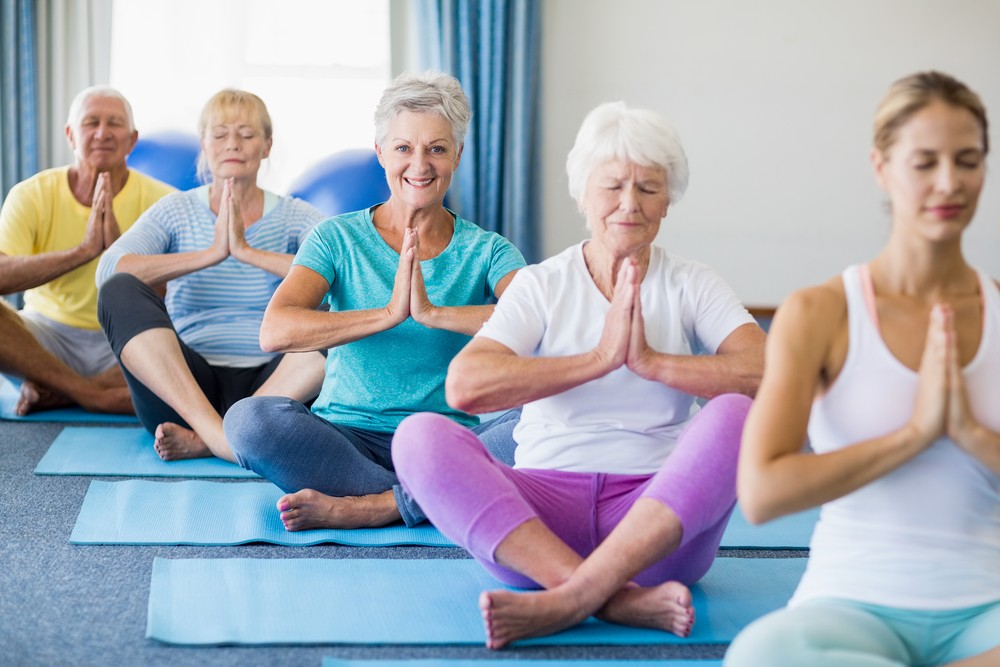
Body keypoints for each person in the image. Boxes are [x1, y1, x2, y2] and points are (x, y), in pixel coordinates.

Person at [392, 101, 767, 649]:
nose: (629, 205)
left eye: (649, 188)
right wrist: (597, 360)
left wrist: (653, 363)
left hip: (658, 525)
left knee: (740, 414)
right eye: (613, 186)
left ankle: (566, 600)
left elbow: (765, 374)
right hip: (538, 522)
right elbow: (466, 387)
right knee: (419, 437)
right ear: (583, 194)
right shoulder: (542, 284)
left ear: (669, 199)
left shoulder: (693, 283)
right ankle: (613, 599)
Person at [725, 71, 1000, 667]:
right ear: (882, 167)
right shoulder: (820, 312)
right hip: (850, 609)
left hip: (988, 607)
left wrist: (974, 437)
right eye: (924, 162)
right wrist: (914, 435)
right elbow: (762, 494)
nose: (950, 182)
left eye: (969, 160)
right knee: (759, 656)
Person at [222, 71, 526, 531]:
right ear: (381, 152)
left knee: (546, 419)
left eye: (437, 149)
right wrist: (386, 315)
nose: (419, 165)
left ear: (457, 155)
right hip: (345, 438)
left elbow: (542, 325)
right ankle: (428, 497)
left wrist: (435, 314)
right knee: (248, 422)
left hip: (443, 441)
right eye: (404, 147)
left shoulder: (489, 250)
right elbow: (276, 330)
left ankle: (376, 506)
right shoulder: (335, 237)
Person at [95, 89, 326, 462]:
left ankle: (212, 440)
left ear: (267, 146)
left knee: (346, 308)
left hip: (281, 385)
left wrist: (250, 253)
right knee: (118, 290)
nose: (232, 143)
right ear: (204, 144)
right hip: (186, 389)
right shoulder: (176, 210)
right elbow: (110, 267)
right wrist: (209, 255)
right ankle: (226, 435)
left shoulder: (293, 216)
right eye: (219, 134)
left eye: (247, 134)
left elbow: (352, 269)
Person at [0, 85, 174, 415]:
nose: (102, 133)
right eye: (91, 122)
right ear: (70, 135)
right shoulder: (30, 194)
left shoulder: (164, 201)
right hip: (46, 340)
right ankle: (93, 394)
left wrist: (118, 256)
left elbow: (180, 297)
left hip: (128, 340)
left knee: (204, 338)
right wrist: (84, 251)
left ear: (132, 139)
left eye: (114, 123)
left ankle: (59, 391)